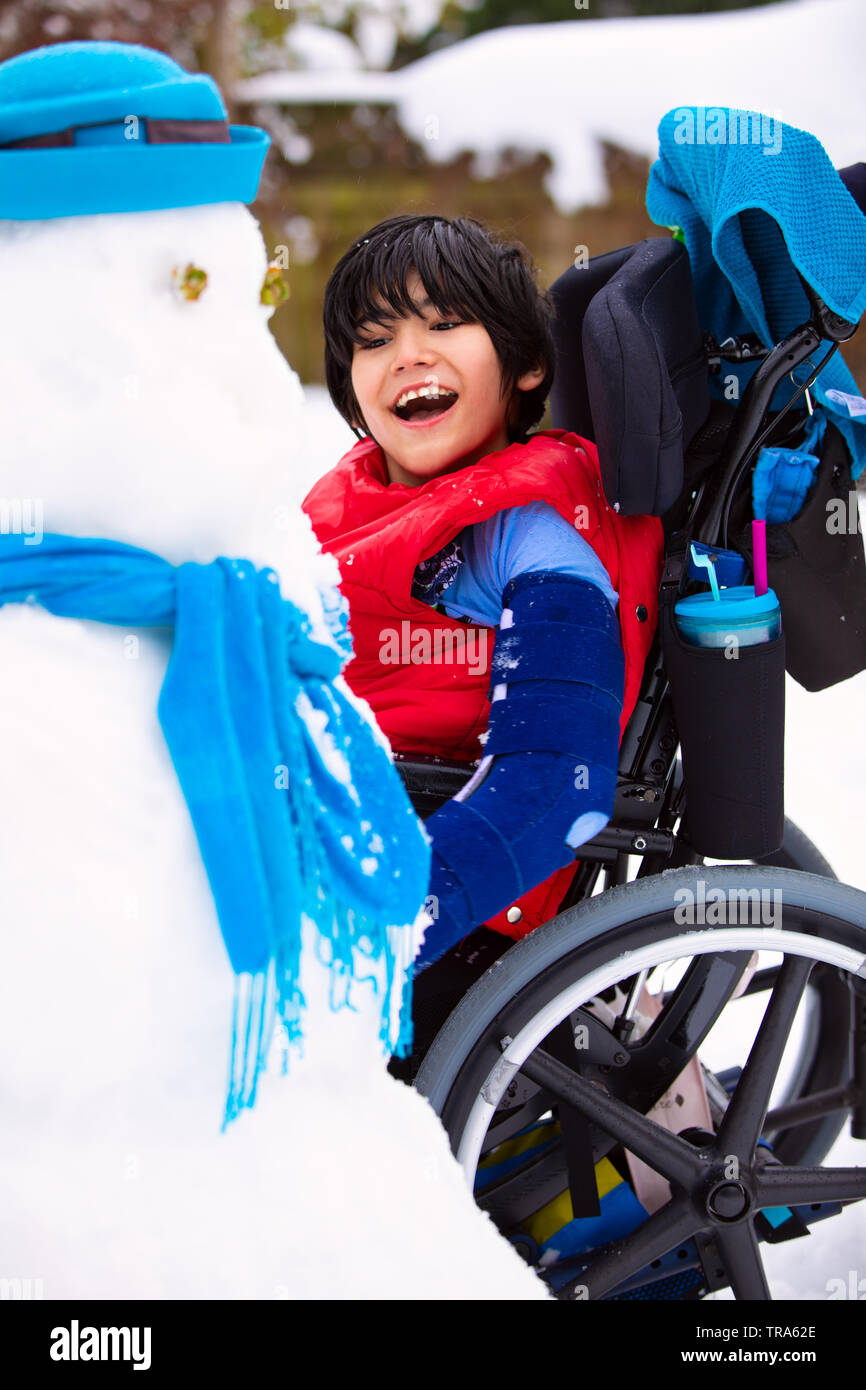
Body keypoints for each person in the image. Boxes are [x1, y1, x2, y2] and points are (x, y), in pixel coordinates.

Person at [302, 214, 663, 1005]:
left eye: (444, 323)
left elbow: (553, 786)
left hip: (444, 904)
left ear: (528, 364)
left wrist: (377, 929)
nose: (408, 355)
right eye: (373, 340)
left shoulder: (534, 536)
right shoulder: (337, 513)